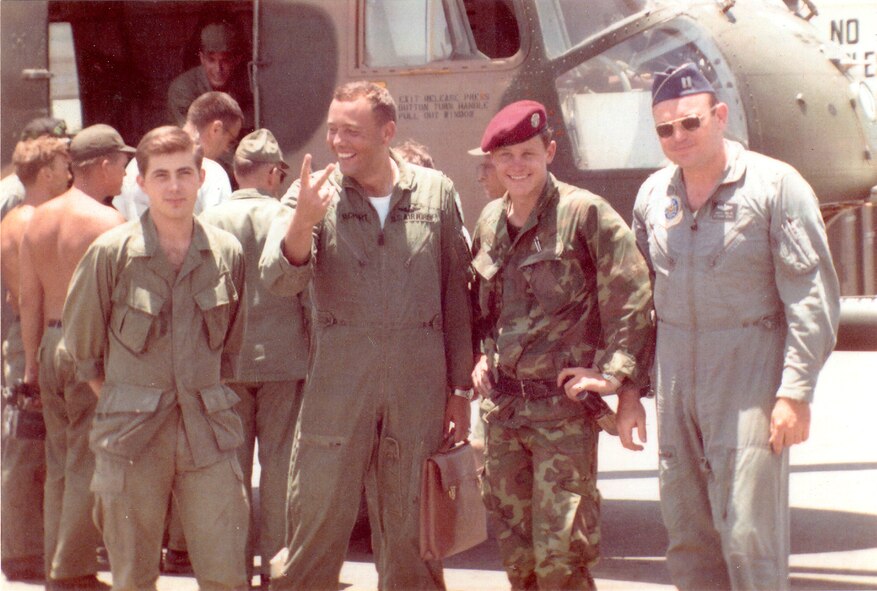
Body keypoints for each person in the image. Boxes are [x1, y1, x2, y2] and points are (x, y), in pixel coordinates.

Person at [630, 63, 840, 591]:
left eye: (690, 123)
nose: (678, 136)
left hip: (749, 375)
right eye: (665, 129)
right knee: (686, 535)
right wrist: (631, 388)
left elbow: (811, 297)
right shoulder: (654, 197)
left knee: (748, 535)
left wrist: (795, 391)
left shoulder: (774, 187)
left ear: (719, 116)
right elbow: (638, 302)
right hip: (677, 380)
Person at [260, 81, 473, 590]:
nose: (339, 142)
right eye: (333, 130)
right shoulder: (312, 192)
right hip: (338, 383)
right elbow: (278, 277)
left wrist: (460, 389)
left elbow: (456, 296)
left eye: (351, 131)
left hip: (417, 384)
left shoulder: (435, 191)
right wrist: (303, 221)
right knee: (316, 522)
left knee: (412, 534)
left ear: (388, 132)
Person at [469, 100, 654, 590]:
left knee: (561, 561)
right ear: (493, 163)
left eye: (528, 153)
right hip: (504, 414)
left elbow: (632, 292)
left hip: (561, 417)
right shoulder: (490, 221)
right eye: (506, 156)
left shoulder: (583, 213)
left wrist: (615, 376)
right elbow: (480, 305)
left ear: (549, 151)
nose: (517, 166)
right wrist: (477, 360)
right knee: (518, 560)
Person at [62, 125, 250, 591]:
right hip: (130, 441)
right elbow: (83, 351)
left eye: (184, 173)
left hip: (207, 436)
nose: (174, 186)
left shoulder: (226, 253)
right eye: (161, 175)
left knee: (227, 574)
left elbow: (233, 345)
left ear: (202, 177)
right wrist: (123, 400)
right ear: (140, 183)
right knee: (132, 577)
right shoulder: (112, 253)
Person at [18, 124, 132, 590]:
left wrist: (29, 364)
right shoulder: (110, 224)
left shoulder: (38, 219)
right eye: (122, 164)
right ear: (103, 165)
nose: (126, 172)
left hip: (48, 343)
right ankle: (74, 572)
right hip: (89, 349)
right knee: (87, 459)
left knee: (60, 460)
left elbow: (29, 298)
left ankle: (56, 565)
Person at [198, 129, 306, 588]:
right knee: (282, 467)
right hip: (286, 361)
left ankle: (233, 572)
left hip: (228, 364)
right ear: (273, 172)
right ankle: (278, 570)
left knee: (231, 471)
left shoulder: (209, 220)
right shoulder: (286, 216)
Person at [0, 136, 71, 582]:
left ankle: (22, 547)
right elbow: (32, 297)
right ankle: (25, 552)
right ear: (46, 173)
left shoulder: (11, 219)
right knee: (30, 447)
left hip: (20, 336)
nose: (69, 173)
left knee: (22, 445)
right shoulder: (32, 222)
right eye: (64, 165)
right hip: (34, 338)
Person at [114, 91, 243, 221]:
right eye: (231, 141)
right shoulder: (213, 173)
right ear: (216, 129)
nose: (227, 149)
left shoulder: (136, 164)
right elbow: (219, 230)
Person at [167, 21, 253, 129]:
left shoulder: (247, 83)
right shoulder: (183, 88)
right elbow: (195, 134)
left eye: (225, 60)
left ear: (237, 59)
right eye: (211, 60)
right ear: (202, 58)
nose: (218, 68)